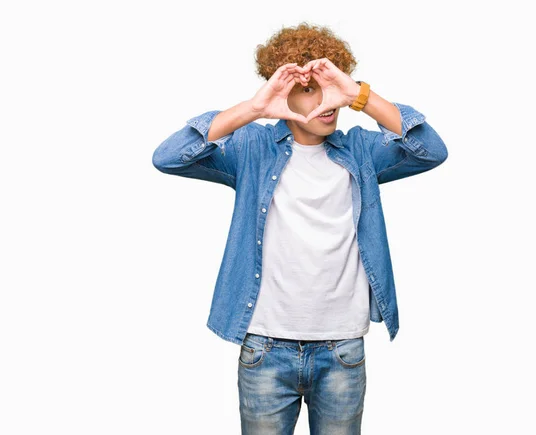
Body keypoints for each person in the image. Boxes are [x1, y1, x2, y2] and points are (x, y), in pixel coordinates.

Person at [152, 22, 448, 435]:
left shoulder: (361, 151)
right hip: (265, 348)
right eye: (309, 89)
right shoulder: (251, 148)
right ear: (282, 93)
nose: (327, 103)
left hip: (342, 348)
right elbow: (169, 157)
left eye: (331, 88)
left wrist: (360, 95)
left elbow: (431, 150)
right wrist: (253, 108)